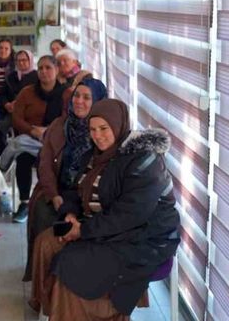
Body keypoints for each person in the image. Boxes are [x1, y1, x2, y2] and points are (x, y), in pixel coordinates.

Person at [30, 100, 180, 320]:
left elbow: (129, 215)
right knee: (46, 242)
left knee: (71, 265)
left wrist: (83, 230)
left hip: (144, 237)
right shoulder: (94, 155)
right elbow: (75, 191)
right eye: (92, 129)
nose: (97, 136)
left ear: (118, 126)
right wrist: (70, 214)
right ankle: (54, 309)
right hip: (106, 227)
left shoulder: (145, 160)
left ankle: (93, 311)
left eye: (104, 129)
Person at [23, 79, 107, 282]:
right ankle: (42, 278)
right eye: (77, 96)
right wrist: (54, 195)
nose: (79, 101)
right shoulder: (59, 125)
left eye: (87, 97)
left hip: (88, 195)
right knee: (44, 211)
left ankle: (70, 277)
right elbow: (45, 164)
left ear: (98, 101)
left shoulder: (103, 130)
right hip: (57, 189)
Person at [6, 55, 67, 223]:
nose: (44, 72)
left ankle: (51, 199)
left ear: (56, 70)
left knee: (54, 159)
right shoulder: (27, 92)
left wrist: (47, 131)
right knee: (23, 157)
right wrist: (33, 130)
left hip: (55, 141)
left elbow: (67, 120)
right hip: (31, 139)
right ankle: (25, 202)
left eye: (48, 68)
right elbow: (16, 118)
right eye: (41, 68)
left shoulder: (66, 94)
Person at [1, 50, 38, 115]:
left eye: (24, 60)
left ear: (30, 60)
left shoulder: (37, 76)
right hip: (11, 111)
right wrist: (6, 104)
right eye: (18, 60)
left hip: (30, 112)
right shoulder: (11, 76)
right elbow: (2, 94)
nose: (20, 63)